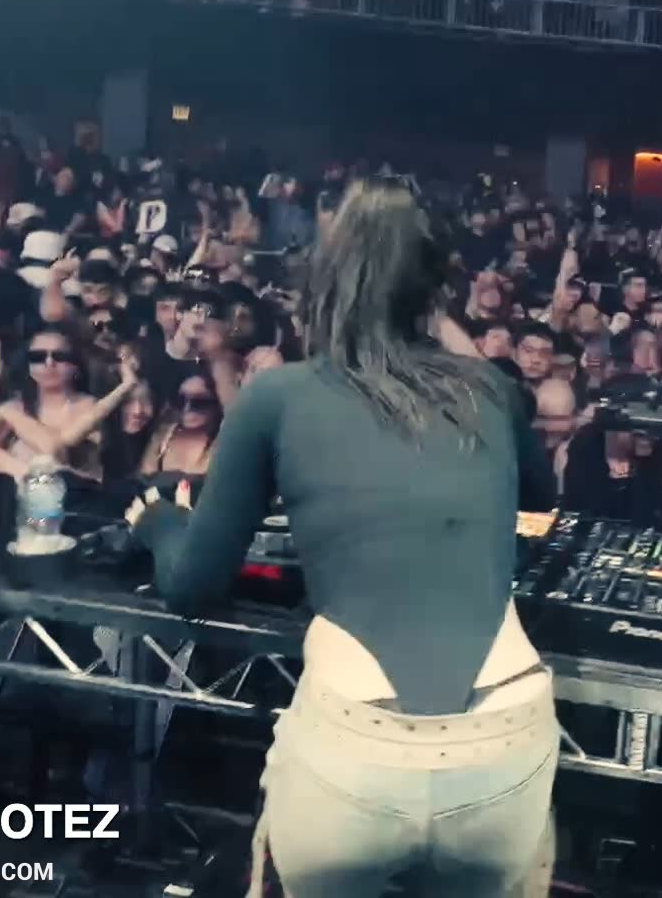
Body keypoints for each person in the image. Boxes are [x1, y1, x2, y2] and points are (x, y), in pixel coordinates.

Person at [130, 178, 559, 896]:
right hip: (506, 735)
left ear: (322, 283)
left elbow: (192, 585)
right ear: (435, 289)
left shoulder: (278, 395)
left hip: (359, 743)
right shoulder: (490, 389)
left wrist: (158, 522)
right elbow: (542, 498)